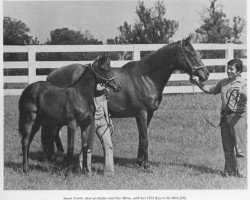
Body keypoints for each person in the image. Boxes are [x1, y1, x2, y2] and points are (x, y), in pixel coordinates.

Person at [190, 58, 247, 178]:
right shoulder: (223, 82)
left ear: (238, 71)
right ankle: (230, 172)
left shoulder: (243, 83)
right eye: (228, 68)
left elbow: (246, 98)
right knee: (227, 147)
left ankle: (242, 174)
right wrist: (197, 83)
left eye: (232, 69)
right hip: (225, 117)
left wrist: (242, 93)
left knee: (240, 148)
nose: (229, 71)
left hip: (238, 117)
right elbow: (209, 90)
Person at [93, 83, 115, 175]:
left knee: (108, 145)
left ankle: (109, 172)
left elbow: (104, 101)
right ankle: (85, 170)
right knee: (88, 147)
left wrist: (107, 118)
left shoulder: (103, 86)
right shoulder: (90, 85)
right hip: (91, 121)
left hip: (102, 121)